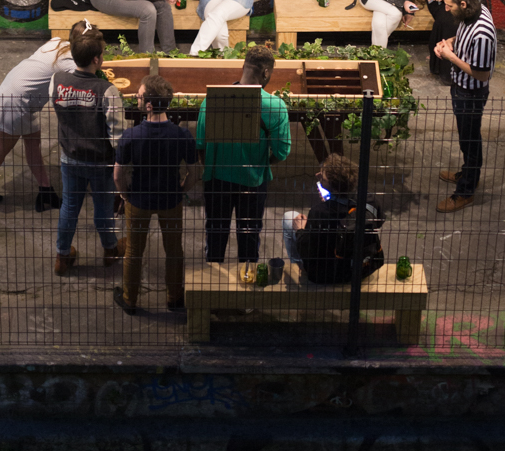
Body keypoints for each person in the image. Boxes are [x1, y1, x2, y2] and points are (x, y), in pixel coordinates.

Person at [0, 24, 95, 210]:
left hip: (14, 90)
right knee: (3, 147)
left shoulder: (57, 42)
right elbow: (88, 81)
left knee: (32, 143)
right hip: (16, 100)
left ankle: (45, 191)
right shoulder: (70, 63)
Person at [195, 45, 292, 264]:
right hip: (253, 182)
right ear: (266, 72)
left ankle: (213, 273)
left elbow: (200, 145)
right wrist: (262, 163)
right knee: (249, 235)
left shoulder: (212, 100)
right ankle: (247, 276)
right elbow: (282, 151)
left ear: (243, 66)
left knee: (216, 232)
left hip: (217, 181)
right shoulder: (276, 106)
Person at [112, 76, 200, 315]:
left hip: (139, 200)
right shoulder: (182, 135)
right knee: (174, 251)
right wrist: (181, 190)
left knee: (134, 251)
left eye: (140, 96)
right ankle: (174, 298)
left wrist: (125, 196)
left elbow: (118, 175)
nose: (136, 98)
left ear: (149, 105)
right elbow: (195, 172)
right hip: (170, 199)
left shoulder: (131, 136)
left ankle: (130, 299)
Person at [49, 27, 126, 274]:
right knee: (103, 208)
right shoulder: (107, 90)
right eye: (102, 53)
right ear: (96, 59)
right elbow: (117, 136)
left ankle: (62, 256)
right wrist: (123, 164)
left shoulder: (57, 81)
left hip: (70, 158)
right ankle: (110, 250)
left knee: (69, 207)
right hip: (100, 162)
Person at [433, 0, 496, 212]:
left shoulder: (483, 33)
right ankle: (467, 174)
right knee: (466, 137)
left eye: (449, 5)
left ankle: (465, 192)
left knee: (470, 141)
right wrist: (449, 42)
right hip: (460, 87)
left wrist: (450, 57)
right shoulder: (472, 13)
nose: (446, 9)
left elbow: (481, 74)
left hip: (470, 93)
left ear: (462, 4)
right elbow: (462, 38)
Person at [281, 152, 385, 285]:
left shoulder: (319, 212)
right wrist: (332, 201)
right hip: (364, 267)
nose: (318, 175)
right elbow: (379, 222)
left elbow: (306, 249)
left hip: (327, 275)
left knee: (289, 217)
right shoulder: (370, 200)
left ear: (334, 189)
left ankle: (298, 265)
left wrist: (300, 230)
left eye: (323, 178)